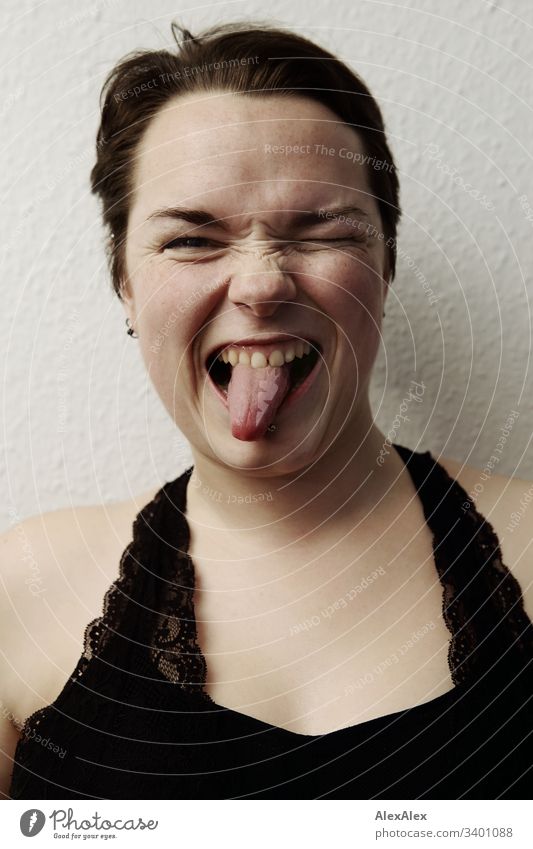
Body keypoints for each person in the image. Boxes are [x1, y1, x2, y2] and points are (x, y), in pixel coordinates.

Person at [2, 20, 532, 800]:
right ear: (125, 283)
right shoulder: (22, 588)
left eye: (320, 232)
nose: (260, 283)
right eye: (192, 238)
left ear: (384, 266)